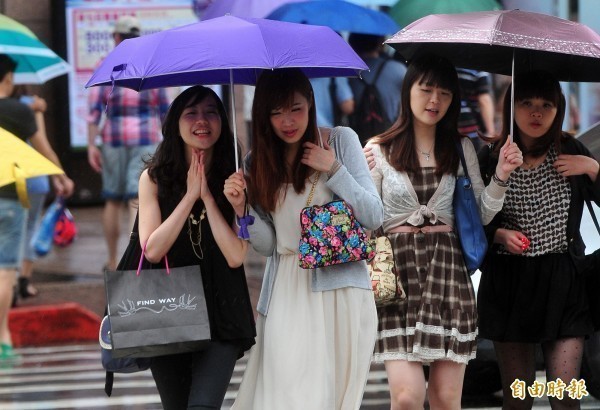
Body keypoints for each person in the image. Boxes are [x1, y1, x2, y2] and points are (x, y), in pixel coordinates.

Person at [364, 53, 522, 409]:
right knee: (406, 397)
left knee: (447, 399)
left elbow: (480, 214)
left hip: (448, 275)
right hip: (398, 278)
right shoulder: (378, 149)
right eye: (427, 89)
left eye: (445, 93)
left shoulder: (461, 148)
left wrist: (502, 175)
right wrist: (357, 174)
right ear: (409, 91)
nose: (435, 100)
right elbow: (367, 217)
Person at [224, 68, 383, 409]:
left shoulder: (339, 140)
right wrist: (243, 210)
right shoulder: (257, 163)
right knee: (290, 395)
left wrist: (334, 169)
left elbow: (373, 215)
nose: (287, 120)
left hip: (341, 290)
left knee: (332, 398)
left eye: (295, 108)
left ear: (310, 103)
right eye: (276, 112)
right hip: (286, 290)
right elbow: (267, 245)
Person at [477, 70, 599, 410]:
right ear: (510, 106)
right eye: (527, 103)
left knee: (564, 395)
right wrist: (499, 233)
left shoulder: (571, 150)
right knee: (519, 399)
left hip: (565, 284)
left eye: (547, 104)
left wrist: (591, 167)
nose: (536, 113)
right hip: (509, 286)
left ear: (559, 108)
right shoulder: (491, 156)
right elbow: (473, 223)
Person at [137, 85, 256, 409]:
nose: (202, 121)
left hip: (222, 310)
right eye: (191, 113)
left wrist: (227, 203)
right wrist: (190, 195)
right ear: (175, 123)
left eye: (211, 112)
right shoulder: (154, 178)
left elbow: (236, 255)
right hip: (167, 309)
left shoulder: (236, 177)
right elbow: (152, 250)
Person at [0, 54, 74, 360]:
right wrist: (62, 176)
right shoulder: (19, 112)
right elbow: (44, 149)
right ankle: (2, 337)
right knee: (4, 272)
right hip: (9, 198)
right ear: (8, 78)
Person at [87, 15, 170, 272]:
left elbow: (93, 112)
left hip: (112, 141)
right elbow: (165, 110)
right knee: (138, 199)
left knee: (111, 200)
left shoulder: (106, 65)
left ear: (116, 37)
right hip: (145, 139)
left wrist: (91, 145)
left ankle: (112, 261)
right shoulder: (150, 65)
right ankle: (136, 259)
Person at [348, 32, 407, 145]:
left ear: (352, 43)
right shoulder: (398, 69)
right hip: (392, 137)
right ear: (380, 42)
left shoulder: (347, 73)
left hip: (357, 140)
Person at [456, 68, 496, 152]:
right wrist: (490, 131)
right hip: (469, 129)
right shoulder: (478, 68)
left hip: (446, 128)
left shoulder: (447, 64)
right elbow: (484, 100)